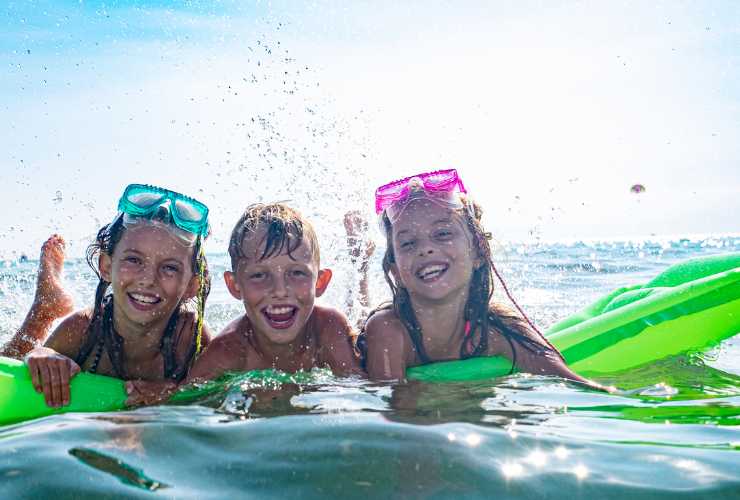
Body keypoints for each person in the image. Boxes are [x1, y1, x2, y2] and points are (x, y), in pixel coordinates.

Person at [362, 169, 606, 388]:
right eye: (408, 243)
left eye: (443, 233)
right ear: (395, 270)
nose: (425, 249)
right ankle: (360, 264)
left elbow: (569, 381)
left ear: (479, 252)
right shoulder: (389, 330)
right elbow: (393, 412)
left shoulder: (499, 329)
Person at [1, 184, 213, 407]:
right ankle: (43, 312)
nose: (148, 279)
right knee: (12, 353)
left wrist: (178, 393)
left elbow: (219, 391)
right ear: (106, 265)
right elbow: (11, 378)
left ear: (192, 285)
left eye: (170, 267)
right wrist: (41, 356)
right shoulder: (83, 330)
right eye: (134, 260)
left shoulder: (190, 339)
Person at [186, 202, 362, 383]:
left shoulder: (328, 328)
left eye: (296, 273)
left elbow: (360, 387)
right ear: (234, 285)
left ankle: (360, 268)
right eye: (259, 275)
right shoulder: (227, 352)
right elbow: (184, 401)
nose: (279, 290)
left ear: (320, 282)